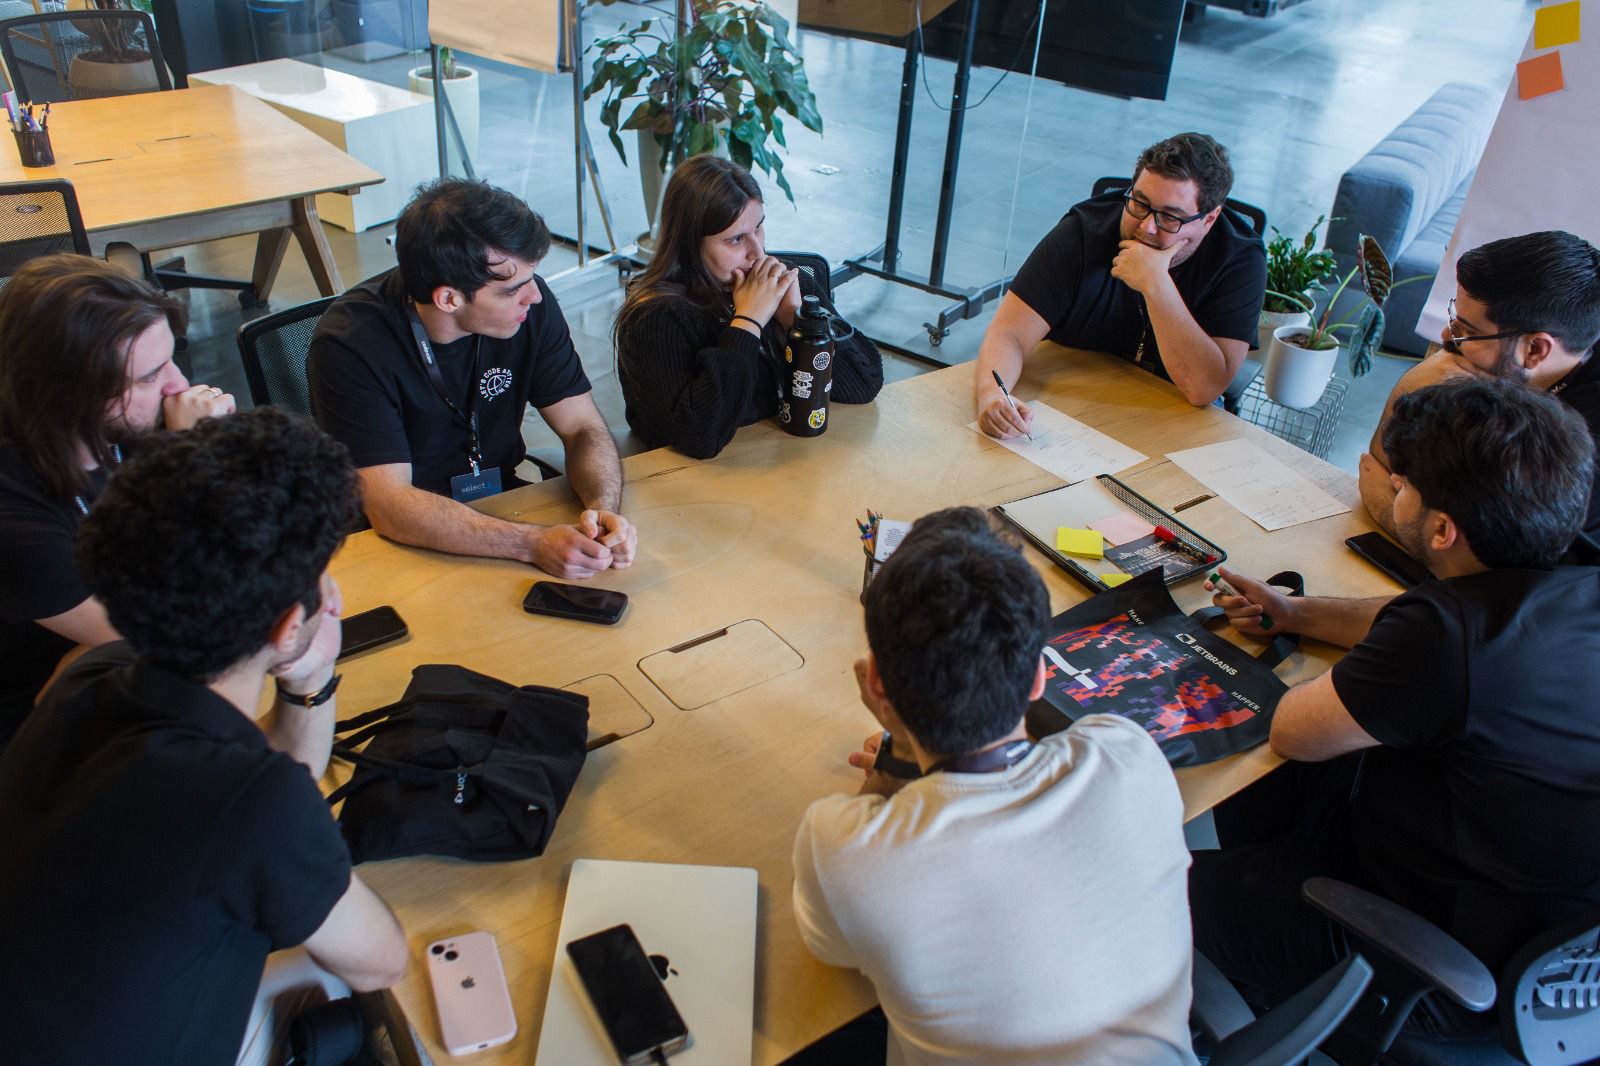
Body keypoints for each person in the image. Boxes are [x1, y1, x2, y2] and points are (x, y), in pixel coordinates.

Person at [0, 407, 408, 1063]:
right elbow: (380, 964)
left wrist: (308, 678)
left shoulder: (87, 677)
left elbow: (270, 791)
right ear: (283, 628)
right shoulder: (248, 803)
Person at [1192, 378, 1600, 1018]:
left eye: (1403, 484)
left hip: (1430, 950)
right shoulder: (1572, 572)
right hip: (1549, 937)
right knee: (1277, 794)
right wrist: (1297, 613)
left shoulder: (1445, 637)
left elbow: (1294, 730)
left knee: (1139, 884)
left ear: (1441, 529)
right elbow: (1413, 616)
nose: (1394, 491)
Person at [791, 508, 1196, 1065]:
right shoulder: (1128, 755)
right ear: (1039, 674)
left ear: (877, 685)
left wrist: (898, 751)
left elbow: (831, 951)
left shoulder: (847, 852)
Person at [309, 178, 636, 579]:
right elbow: (391, 506)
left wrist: (603, 506)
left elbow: (583, 426)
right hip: (400, 543)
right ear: (449, 298)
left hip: (504, 508)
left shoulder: (530, 305)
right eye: (513, 289)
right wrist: (529, 543)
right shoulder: (350, 344)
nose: (534, 296)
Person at [0, 254, 235, 747]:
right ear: (72, 394)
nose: (177, 384)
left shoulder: (117, 425)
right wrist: (188, 460)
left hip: (111, 667)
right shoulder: (16, 517)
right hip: (37, 733)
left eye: (174, 356)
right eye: (149, 376)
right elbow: (162, 629)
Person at [975, 132, 1265, 432]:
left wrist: (1157, 285)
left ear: (1209, 219)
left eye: (1170, 217)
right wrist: (992, 394)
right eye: (1139, 203)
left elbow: (1204, 388)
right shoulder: (1083, 233)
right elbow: (1009, 332)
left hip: (1172, 415)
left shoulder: (1240, 260)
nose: (1146, 226)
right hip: (1071, 398)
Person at [615, 155, 884, 459]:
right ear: (690, 244)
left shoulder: (782, 282)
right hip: (697, 483)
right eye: (735, 240)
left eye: (759, 228)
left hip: (784, 461)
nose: (758, 251)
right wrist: (748, 321)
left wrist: (796, 321)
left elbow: (864, 385)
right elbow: (700, 437)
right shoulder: (655, 318)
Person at [1359, 230, 1600, 545]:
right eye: (1454, 318)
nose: (1447, 335)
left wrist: (1387, 509)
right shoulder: (1501, 363)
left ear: (1535, 350)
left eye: (1467, 330)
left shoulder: (1583, 454)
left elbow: (1487, 565)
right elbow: (1380, 464)